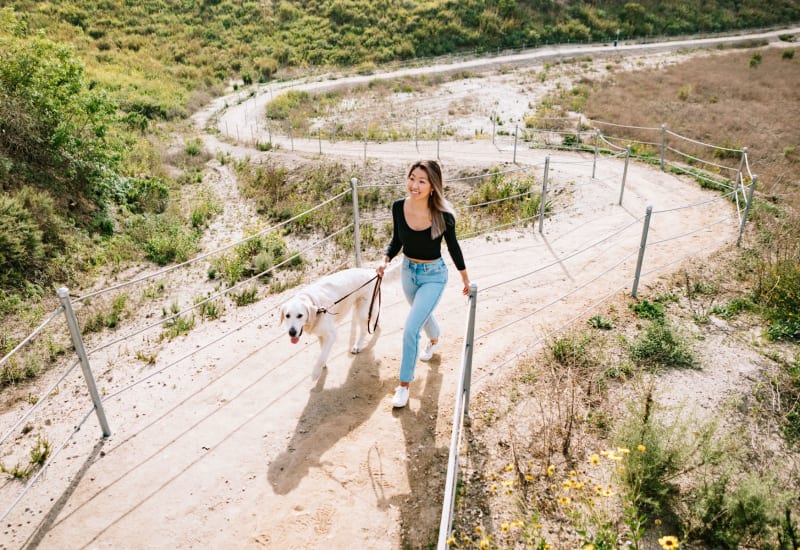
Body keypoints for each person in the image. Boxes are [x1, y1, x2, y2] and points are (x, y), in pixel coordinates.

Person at [376, 160, 471, 408]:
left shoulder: (444, 216)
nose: (414, 185)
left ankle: (404, 385)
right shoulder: (398, 207)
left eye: (421, 181)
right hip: (409, 271)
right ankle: (435, 338)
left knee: (410, 329)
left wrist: (465, 277)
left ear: (432, 186)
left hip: (434, 276)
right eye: (412, 178)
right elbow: (397, 240)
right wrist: (385, 260)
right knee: (421, 315)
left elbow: (453, 247)